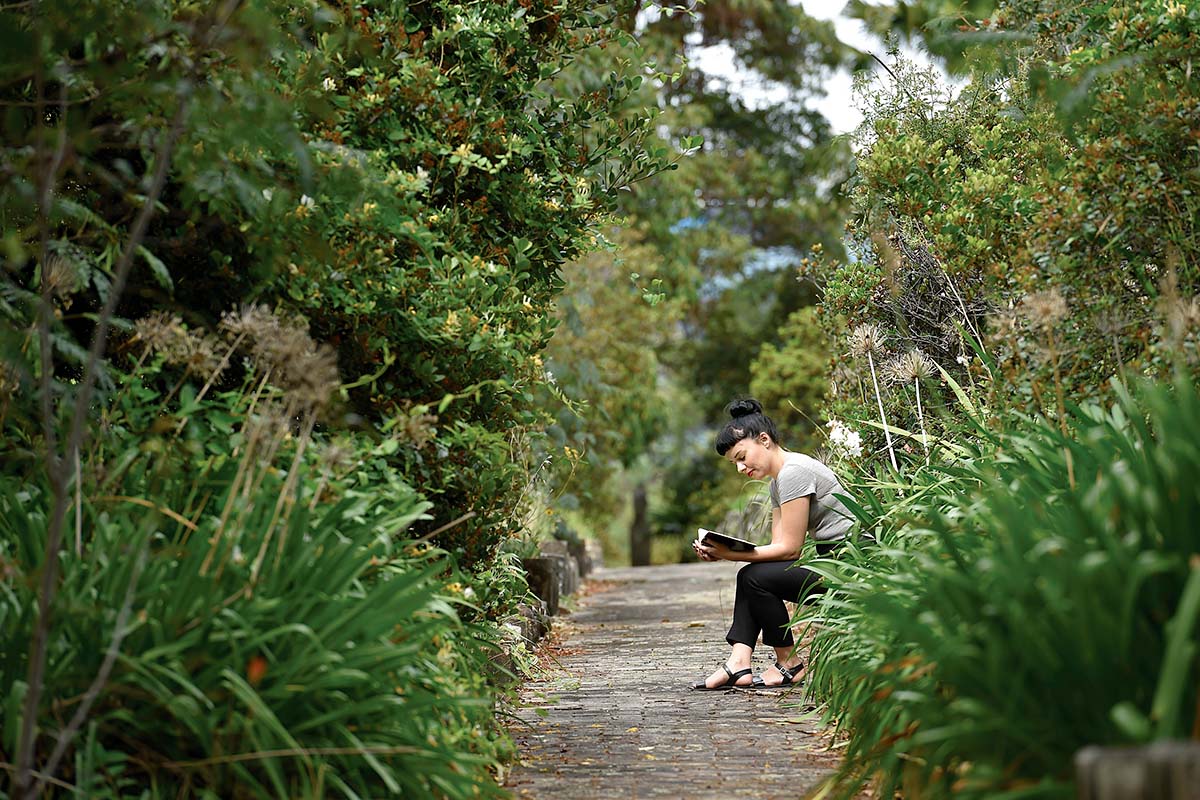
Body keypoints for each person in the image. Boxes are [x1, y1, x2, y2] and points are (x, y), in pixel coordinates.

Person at [692, 398, 854, 690]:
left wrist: (732, 554)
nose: (740, 468)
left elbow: (790, 549)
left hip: (849, 564)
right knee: (751, 575)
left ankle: (788, 664)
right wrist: (728, 551)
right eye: (734, 464)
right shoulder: (778, 481)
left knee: (754, 578)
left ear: (764, 440)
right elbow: (778, 546)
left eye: (742, 457)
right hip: (831, 561)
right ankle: (739, 661)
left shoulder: (794, 472)